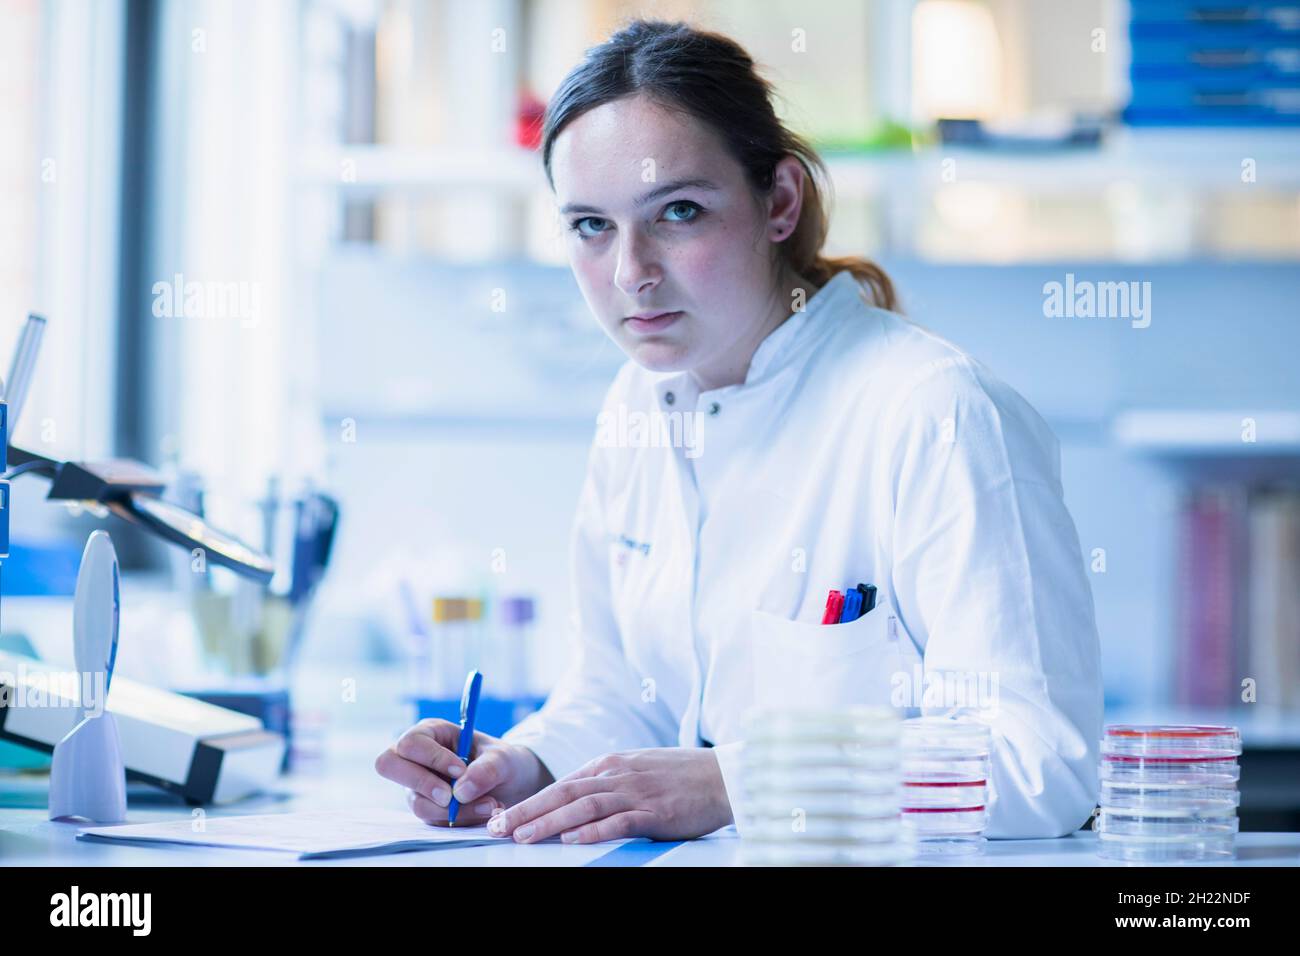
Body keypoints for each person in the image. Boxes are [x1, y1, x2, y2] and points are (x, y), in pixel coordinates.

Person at [375, 19, 1102, 845]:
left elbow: (1037, 761)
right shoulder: (637, 403)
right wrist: (525, 766)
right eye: (590, 225)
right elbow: (625, 692)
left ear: (780, 202)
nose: (631, 272)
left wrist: (743, 782)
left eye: (678, 212)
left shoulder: (935, 413)